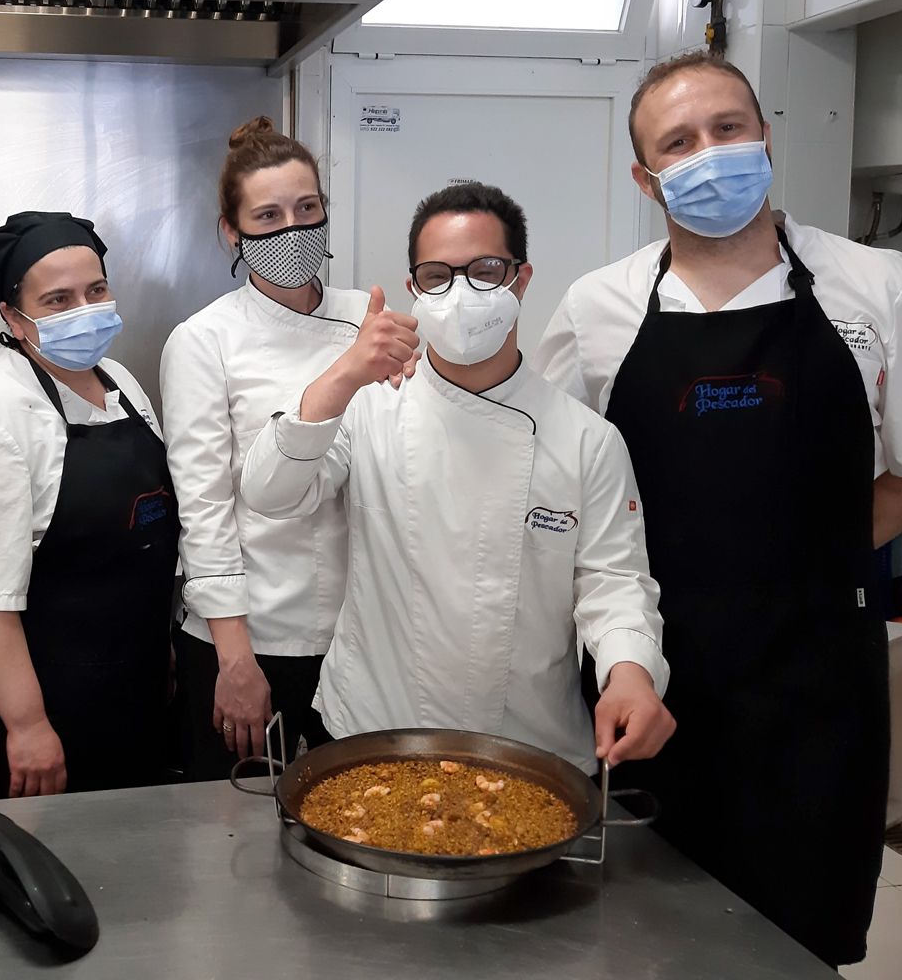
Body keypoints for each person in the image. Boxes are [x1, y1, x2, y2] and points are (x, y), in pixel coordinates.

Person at [535, 51, 902, 967]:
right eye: (679, 142)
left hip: (815, 674)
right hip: (650, 670)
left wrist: (812, 556)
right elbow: (558, 482)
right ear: (645, 176)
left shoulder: (874, 282)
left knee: (802, 931)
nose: (710, 153)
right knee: (644, 932)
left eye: (727, 129)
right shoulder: (599, 307)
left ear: (765, 134)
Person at [240, 181, 676, 775]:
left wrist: (631, 673)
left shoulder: (585, 439)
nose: (462, 292)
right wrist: (342, 376)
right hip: (375, 733)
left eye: (486, 271)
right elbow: (270, 493)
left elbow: (614, 583)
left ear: (521, 281)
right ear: (415, 288)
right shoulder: (371, 407)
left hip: (527, 745)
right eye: (439, 275)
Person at [0, 211, 179, 798]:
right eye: (57, 299)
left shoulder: (115, 378)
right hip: (44, 710)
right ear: (13, 317)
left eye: (96, 291)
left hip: (132, 691)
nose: (84, 311)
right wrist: (27, 726)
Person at [160, 116, 376, 775]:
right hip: (253, 637)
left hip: (363, 636)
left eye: (307, 209)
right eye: (268, 215)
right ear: (232, 231)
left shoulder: (369, 320)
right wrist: (235, 660)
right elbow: (204, 507)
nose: (293, 229)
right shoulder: (205, 341)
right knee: (237, 838)